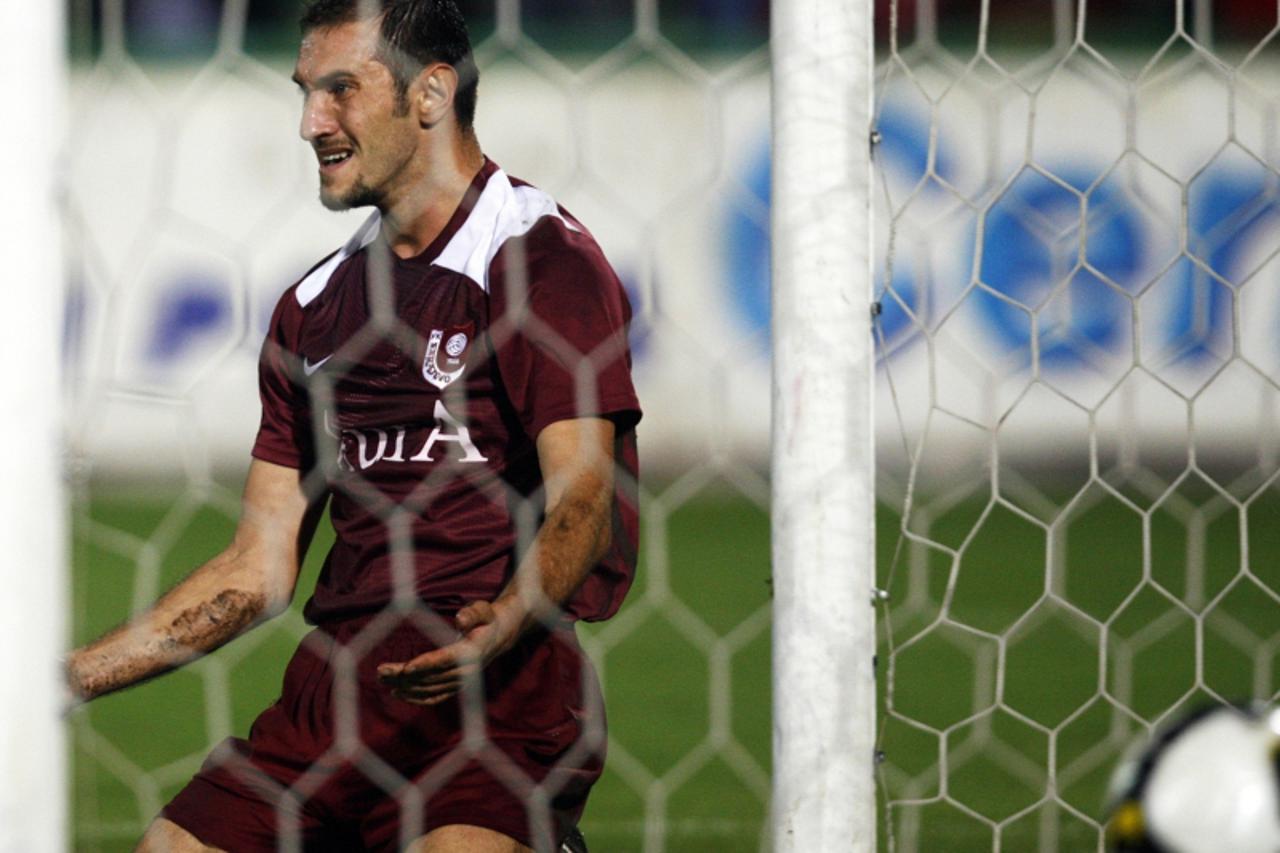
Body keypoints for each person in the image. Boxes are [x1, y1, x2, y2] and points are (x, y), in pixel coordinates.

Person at [64, 1, 641, 850]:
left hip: (495, 701)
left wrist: (509, 616)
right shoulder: (315, 307)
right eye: (304, 92)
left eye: (340, 90)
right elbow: (256, 569)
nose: (309, 123)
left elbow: (585, 497)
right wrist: (62, 682)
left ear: (432, 93)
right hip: (329, 712)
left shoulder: (536, 256)